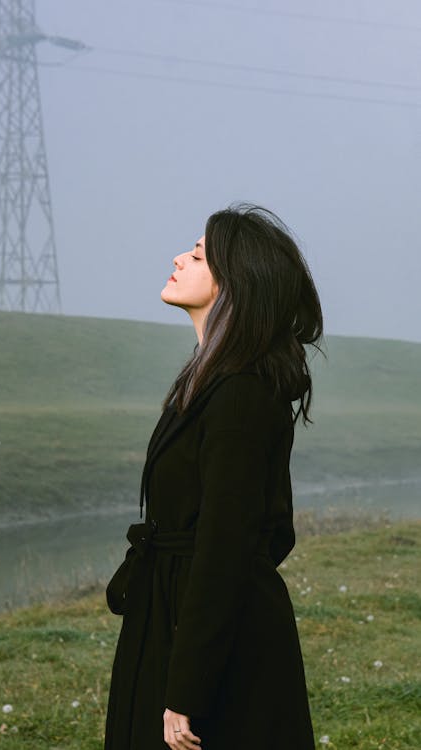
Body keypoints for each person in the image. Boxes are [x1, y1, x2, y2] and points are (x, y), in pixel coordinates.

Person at [104, 203, 323, 750]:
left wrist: (187, 689)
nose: (179, 257)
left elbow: (232, 545)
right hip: (174, 619)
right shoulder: (208, 385)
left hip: (213, 647)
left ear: (236, 285)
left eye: (199, 254)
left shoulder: (241, 397)